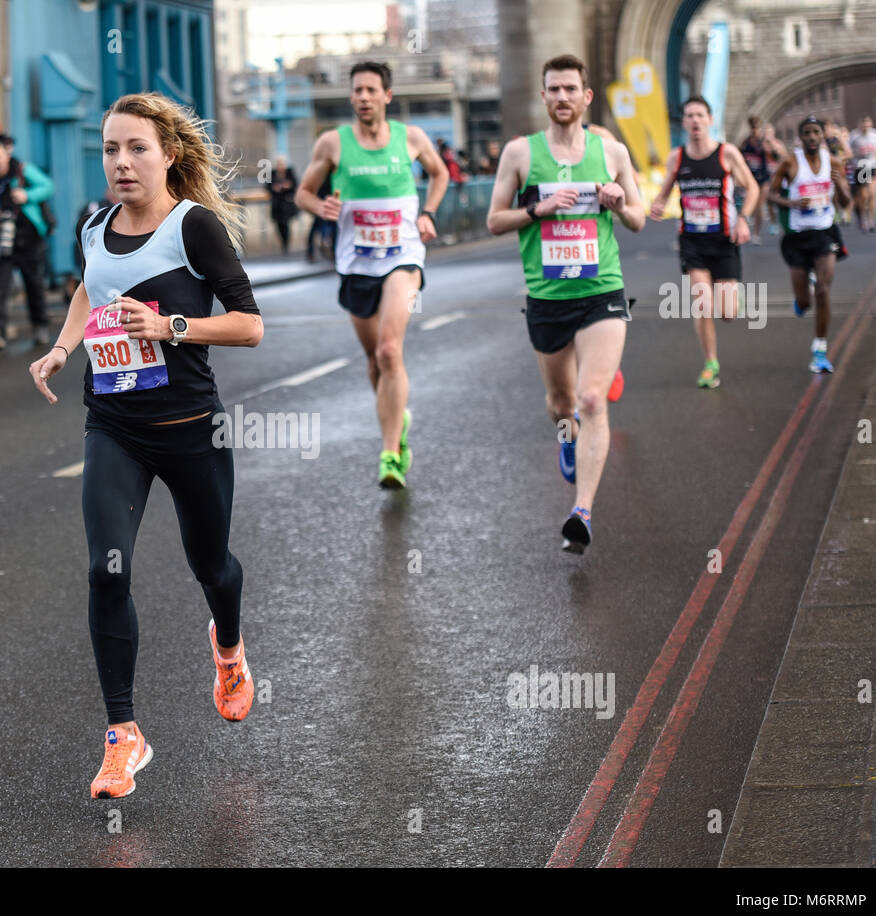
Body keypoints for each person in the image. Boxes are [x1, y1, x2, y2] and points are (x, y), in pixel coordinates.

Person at [27, 92, 264, 799]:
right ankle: (123, 735)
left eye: (136, 148)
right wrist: (64, 348)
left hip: (191, 430)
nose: (121, 162)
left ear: (169, 155)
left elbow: (250, 325)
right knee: (107, 572)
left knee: (212, 566)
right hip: (115, 427)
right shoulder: (94, 226)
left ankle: (228, 647)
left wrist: (173, 329)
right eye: (110, 149)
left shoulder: (193, 228)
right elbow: (90, 288)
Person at [486, 53, 645, 554]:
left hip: (602, 290)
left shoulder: (611, 151)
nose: (561, 98)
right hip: (548, 298)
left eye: (570, 89)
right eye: (553, 90)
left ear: (585, 96)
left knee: (591, 398)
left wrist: (620, 201)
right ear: (543, 95)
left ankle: (582, 511)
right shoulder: (520, 154)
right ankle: (567, 436)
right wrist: (537, 209)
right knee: (562, 404)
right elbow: (494, 221)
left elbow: (639, 218)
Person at [296, 61, 448, 489]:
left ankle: (390, 454)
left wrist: (429, 212)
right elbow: (303, 193)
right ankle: (397, 415)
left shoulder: (411, 138)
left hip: (402, 256)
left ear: (387, 96)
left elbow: (441, 174)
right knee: (372, 360)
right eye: (357, 90)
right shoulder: (332, 144)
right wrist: (319, 207)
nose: (363, 97)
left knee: (388, 350)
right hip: (356, 263)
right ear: (351, 97)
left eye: (370, 90)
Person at [649, 96, 759, 389]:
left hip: (724, 240)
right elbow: (662, 195)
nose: (695, 120)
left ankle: (733, 297)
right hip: (692, 242)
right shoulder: (677, 157)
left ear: (710, 120)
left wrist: (744, 219)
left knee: (727, 313)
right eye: (689, 116)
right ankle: (711, 363)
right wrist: (657, 206)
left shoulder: (727, 154)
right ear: (684, 122)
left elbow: (752, 188)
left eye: (700, 115)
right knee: (703, 304)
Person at [767, 115, 851, 374]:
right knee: (805, 302)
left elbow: (847, 203)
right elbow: (770, 195)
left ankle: (820, 350)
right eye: (807, 133)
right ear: (801, 137)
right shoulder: (790, 164)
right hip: (797, 238)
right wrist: (791, 203)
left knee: (824, 291)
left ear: (822, 136)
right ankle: (802, 300)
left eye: (816, 132)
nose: (812, 137)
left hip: (825, 233)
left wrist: (838, 184)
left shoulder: (833, 162)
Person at [0, 133, 54, 347]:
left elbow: (47, 186)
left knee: (34, 283)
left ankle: (40, 325)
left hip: (29, 236)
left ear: (6, 155)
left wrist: (27, 196)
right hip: (1, 239)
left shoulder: (23, 170)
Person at [739, 116, 779, 242]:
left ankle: (756, 233)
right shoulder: (746, 143)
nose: (756, 131)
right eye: (754, 129)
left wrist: (771, 148)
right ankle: (748, 222)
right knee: (753, 205)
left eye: (758, 128)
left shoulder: (764, 142)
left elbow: (776, 157)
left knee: (759, 206)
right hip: (751, 178)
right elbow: (739, 158)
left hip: (764, 179)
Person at [848, 116, 876, 233]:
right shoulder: (854, 136)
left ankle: (872, 220)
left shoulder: (874, 135)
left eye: (868, 123)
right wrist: (855, 154)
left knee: (872, 194)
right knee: (864, 196)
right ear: (860, 124)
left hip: (871, 164)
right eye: (864, 123)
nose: (866, 125)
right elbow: (848, 151)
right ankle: (863, 217)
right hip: (860, 166)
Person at [268, 155, 298, 253]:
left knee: (286, 224)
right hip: (277, 205)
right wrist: (274, 188)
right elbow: (267, 186)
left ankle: (286, 245)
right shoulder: (272, 174)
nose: (281, 166)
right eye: (279, 164)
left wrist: (287, 186)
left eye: (282, 164)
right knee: (279, 225)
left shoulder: (289, 172)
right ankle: (283, 244)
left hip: (287, 204)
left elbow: (295, 184)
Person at [305, 171, 336, 263]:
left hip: (328, 205)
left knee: (332, 230)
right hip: (322, 205)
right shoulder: (323, 171)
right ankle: (312, 251)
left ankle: (331, 251)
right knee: (320, 229)